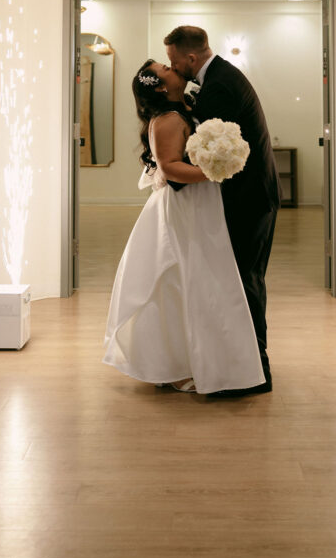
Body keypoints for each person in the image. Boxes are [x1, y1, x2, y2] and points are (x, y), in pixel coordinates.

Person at [103, 59, 265, 395]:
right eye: (164, 68)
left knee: (198, 279)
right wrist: (215, 172)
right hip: (182, 208)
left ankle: (199, 356)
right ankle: (173, 363)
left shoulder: (184, 110)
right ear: (162, 86)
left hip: (200, 206)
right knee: (177, 280)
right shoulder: (168, 120)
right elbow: (171, 168)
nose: (172, 67)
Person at [164, 26, 280, 395]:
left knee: (245, 280)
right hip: (249, 195)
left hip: (249, 199)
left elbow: (206, 150)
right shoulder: (219, 78)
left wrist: (174, 173)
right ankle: (242, 363)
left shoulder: (220, 86)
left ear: (191, 58)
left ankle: (256, 369)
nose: (174, 67)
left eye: (174, 61)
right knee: (242, 279)